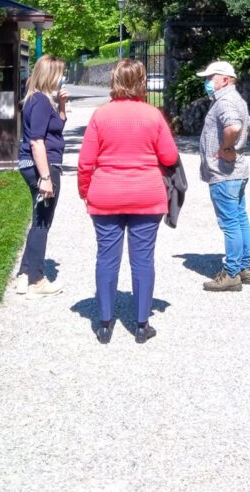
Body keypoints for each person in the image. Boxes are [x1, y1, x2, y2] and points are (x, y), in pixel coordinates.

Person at [77, 59, 179, 343]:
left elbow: (85, 162)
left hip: (106, 195)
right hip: (146, 194)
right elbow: (170, 156)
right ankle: (142, 324)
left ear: (114, 80)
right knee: (143, 259)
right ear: (142, 82)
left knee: (106, 257)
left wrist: (85, 191)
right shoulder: (153, 115)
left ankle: (105, 323)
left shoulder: (100, 115)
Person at [197, 60, 250, 292]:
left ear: (225, 79)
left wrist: (226, 148)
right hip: (236, 171)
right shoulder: (235, 98)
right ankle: (243, 268)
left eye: (211, 78)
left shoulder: (225, 101)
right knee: (240, 219)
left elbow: (234, 127)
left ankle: (231, 274)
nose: (207, 82)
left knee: (230, 223)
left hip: (224, 172)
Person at [16, 55, 69, 296]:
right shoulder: (40, 102)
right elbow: (37, 142)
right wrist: (46, 178)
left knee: (38, 218)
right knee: (42, 222)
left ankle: (24, 274)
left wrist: (61, 106)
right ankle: (36, 281)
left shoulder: (40, 100)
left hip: (38, 164)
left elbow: (56, 128)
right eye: (60, 73)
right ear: (50, 75)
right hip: (43, 166)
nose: (62, 78)